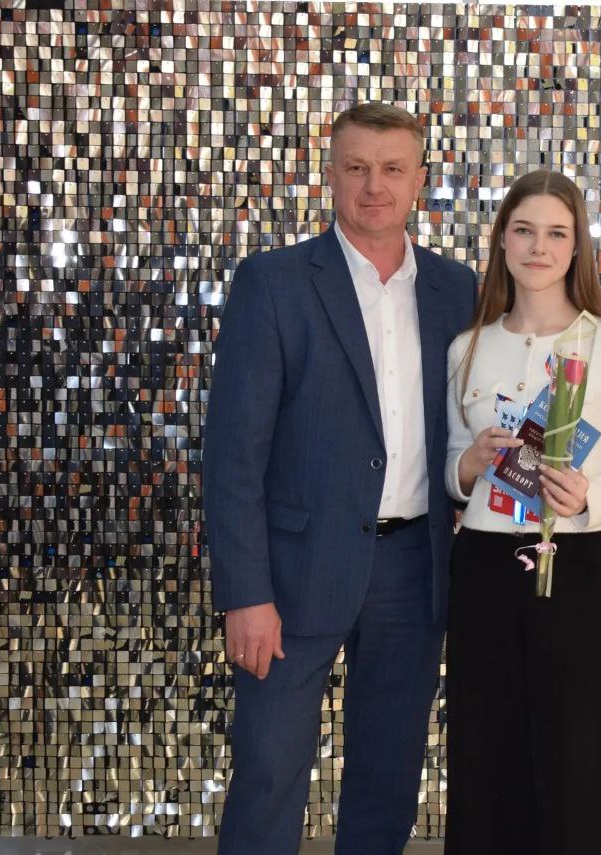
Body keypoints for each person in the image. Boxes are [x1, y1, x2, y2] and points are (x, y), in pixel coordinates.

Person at [203, 103, 477, 854]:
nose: (373, 186)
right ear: (330, 175)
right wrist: (245, 593)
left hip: (414, 570)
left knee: (388, 779)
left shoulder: (458, 290)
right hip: (292, 574)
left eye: (392, 169)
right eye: (356, 167)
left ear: (420, 180)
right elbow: (232, 457)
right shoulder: (274, 282)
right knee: (268, 773)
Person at [443, 169, 601, 855]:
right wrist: (469, 465)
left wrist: (591, 497)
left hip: (579, 569)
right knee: (485, 762)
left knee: (577, 765)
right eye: (524, 230)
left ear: (576, 249)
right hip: (484, 571)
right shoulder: (467, 347)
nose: (539, 247)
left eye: (557, 234)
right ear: (501, 241)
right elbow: (450, 466)